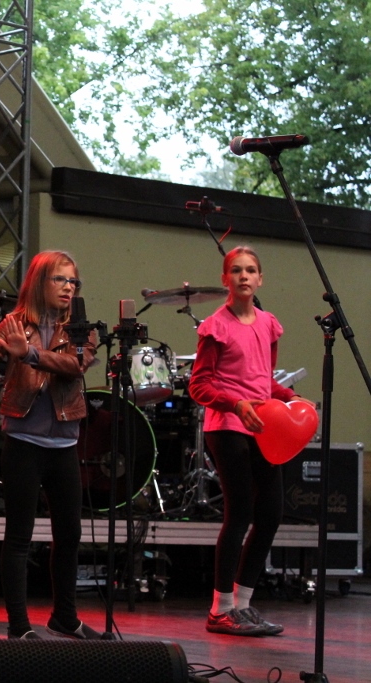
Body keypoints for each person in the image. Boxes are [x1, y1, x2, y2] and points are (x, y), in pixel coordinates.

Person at [0, 250, 101, 640]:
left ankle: (65, 617)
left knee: (70, 535)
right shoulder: (14, 323)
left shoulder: (80, 328)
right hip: (24, 442)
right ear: (39, 282)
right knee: (19, 536)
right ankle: (19, 626)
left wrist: (28, 353)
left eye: (73, 281)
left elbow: (75, 366)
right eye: (60, 279)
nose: (68, 287)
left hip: (64, 444)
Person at [189, 246, 313, 637]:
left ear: (260, 279)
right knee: (240, 512)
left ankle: (242, 605)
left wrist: (290, 396)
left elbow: (262, 380)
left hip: (262, 426)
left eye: (250, 270)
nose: (244, 276)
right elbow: (199, 384)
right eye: (236, 270)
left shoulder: (268, 324)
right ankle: (220, 609)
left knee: (271, 514)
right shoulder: (216, 326)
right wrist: (236, 403)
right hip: (227, 425)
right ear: (225, 279)